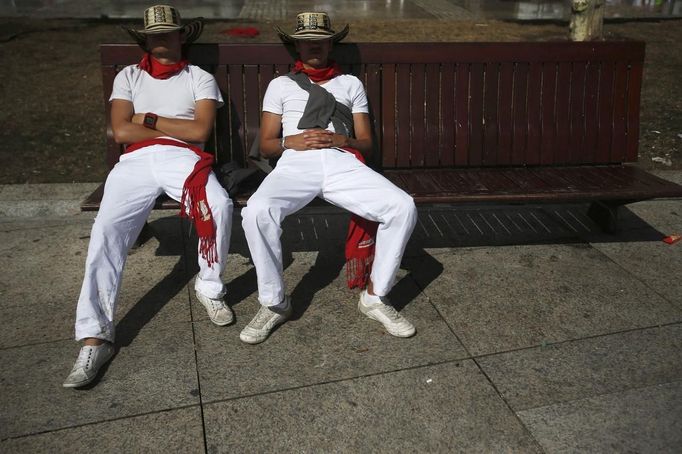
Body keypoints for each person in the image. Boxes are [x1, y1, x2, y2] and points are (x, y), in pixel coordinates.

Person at [63, 5, 233, 388]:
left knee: (219, 205)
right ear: (146, 39)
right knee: (106, 231)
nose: (161, 40)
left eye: (168, 33)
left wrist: (150, 120)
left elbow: (200, 129)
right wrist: (172, 127)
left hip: (183, 159)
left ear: (181, 36)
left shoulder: (199, 77)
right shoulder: (129, 77)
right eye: (154, 34)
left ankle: (210, 285)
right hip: (135, 163)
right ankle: (95, 336)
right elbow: (121, 133)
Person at [240, 12, 418, 345]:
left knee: (402, 206)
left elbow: (366, 141)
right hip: (295, 162)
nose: (313, 47)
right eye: (306, 41)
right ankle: (275, 303)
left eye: (320, 40)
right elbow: (265, 144)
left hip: (341, 161)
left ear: (330, 42)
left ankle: (376, 296)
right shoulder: (280, 85)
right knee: (256, 211)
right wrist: (287, 142)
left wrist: (343, 140)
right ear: (296, 46)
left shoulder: (351, 83)